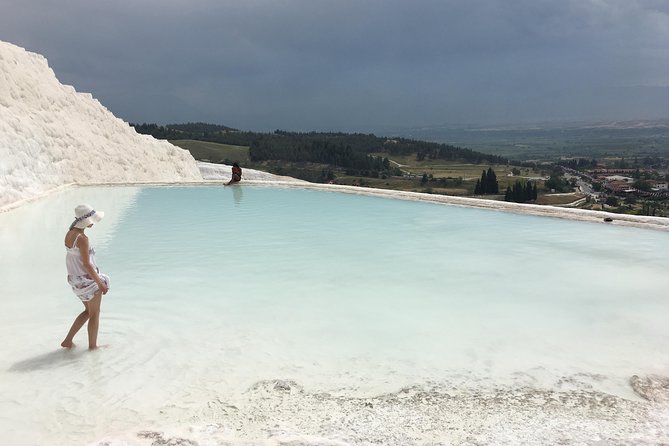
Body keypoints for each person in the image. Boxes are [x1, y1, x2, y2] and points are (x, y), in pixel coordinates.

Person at [61, 204, 110, 350]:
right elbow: (87, 265)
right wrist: (100, 283)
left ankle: (68, 341)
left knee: (88, 312)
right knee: (95, 314)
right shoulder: (82, 238)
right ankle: (93, 347)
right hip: (87, 280)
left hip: (75, 280)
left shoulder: (70, 234)